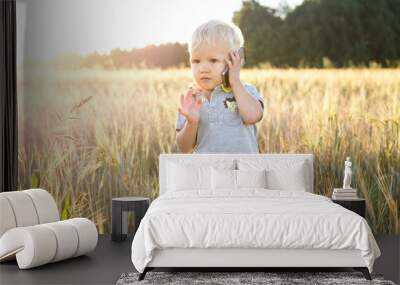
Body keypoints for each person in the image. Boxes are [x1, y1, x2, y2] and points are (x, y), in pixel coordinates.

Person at [175, 19, 264, 153]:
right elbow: (184, 148)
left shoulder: (245, 91)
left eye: (213, 60)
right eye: (196, 61)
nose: (203, 68)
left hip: (243, 170)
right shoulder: (191, 99)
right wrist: (191, 123)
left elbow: (252, 116)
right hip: (208, 172)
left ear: (234, 60)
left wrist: (235, 81)